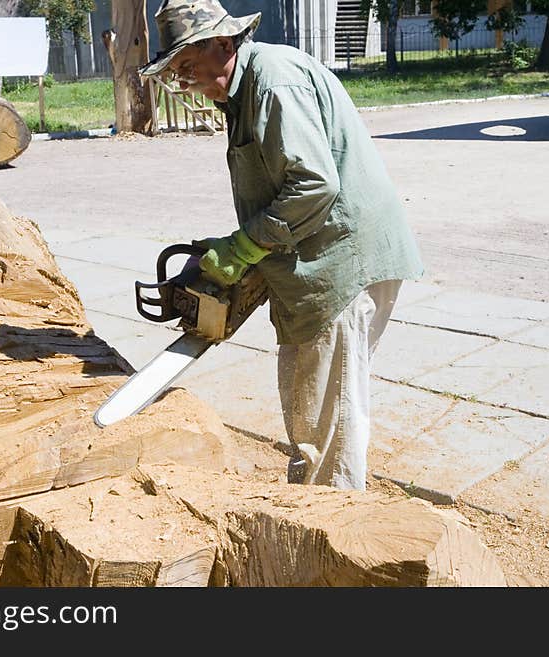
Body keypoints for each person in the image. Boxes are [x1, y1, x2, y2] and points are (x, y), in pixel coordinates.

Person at [139, 0, 424, 491]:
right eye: (176, 71)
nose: (185, 81)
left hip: (338, 263)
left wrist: (244, 247)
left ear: (223, 43)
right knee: (312, 403)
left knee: (326, 426)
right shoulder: (244, 91)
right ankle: (318, 517)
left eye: (187, 66)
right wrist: (235, 249)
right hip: (314, 260)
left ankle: (329, 533)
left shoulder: (273, 82)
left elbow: (314, 185)